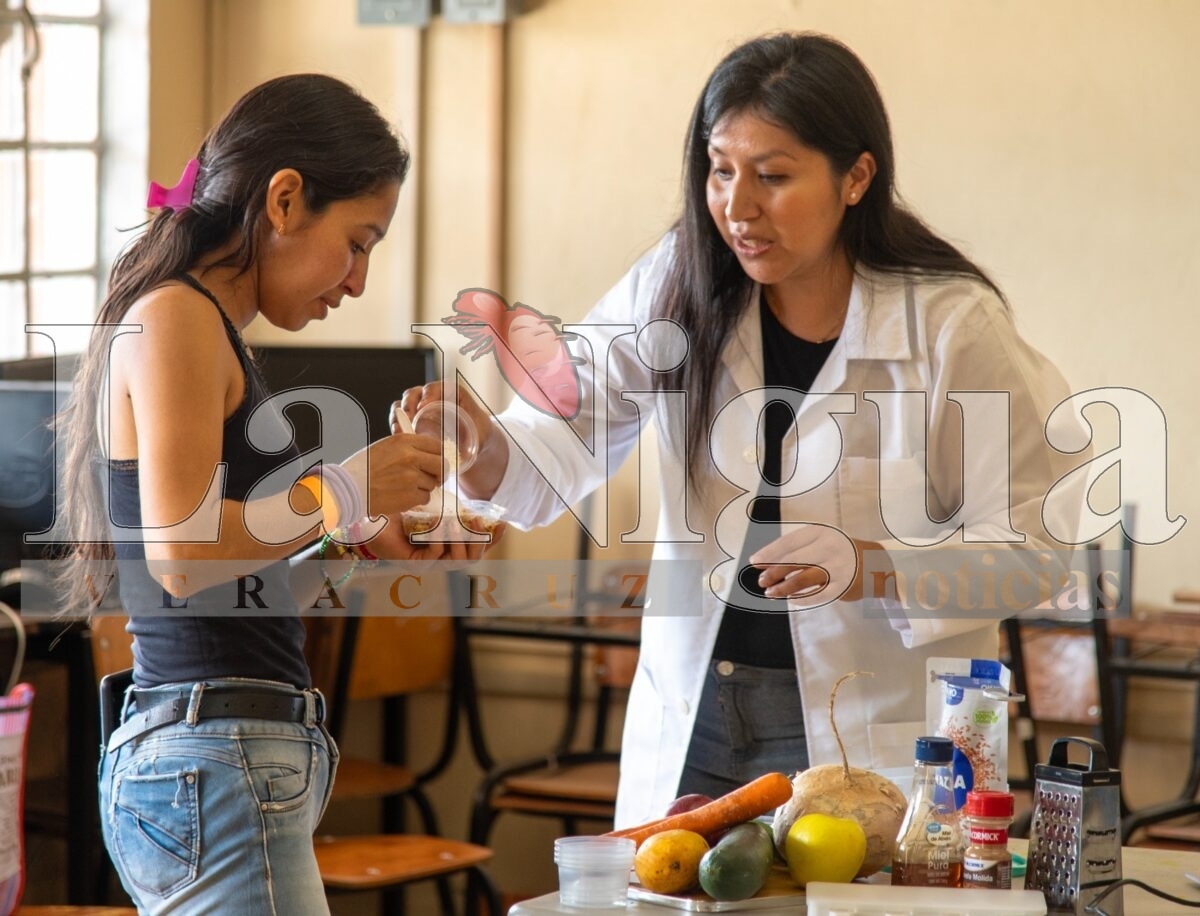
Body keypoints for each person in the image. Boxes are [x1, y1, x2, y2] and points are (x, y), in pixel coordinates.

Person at [404, 31, 1086, 830]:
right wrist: (484, 448)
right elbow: (563, 433)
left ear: (856, 177)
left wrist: (878, 568)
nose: (737, 205)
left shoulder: (950, 327)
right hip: (697, 712)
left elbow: (1038, 551)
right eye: (719, 170)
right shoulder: (677, 282)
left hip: (864, 731)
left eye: (774, 175)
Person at [55, 74, 488, 912]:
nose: (358, 280)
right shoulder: (176, 318)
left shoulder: (200, 325)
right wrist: (347, 485)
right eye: (358, 241)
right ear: (285, 199)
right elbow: (180, 555)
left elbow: (234, 582)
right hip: (216, 758)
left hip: (219, 754)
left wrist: (358, 539)